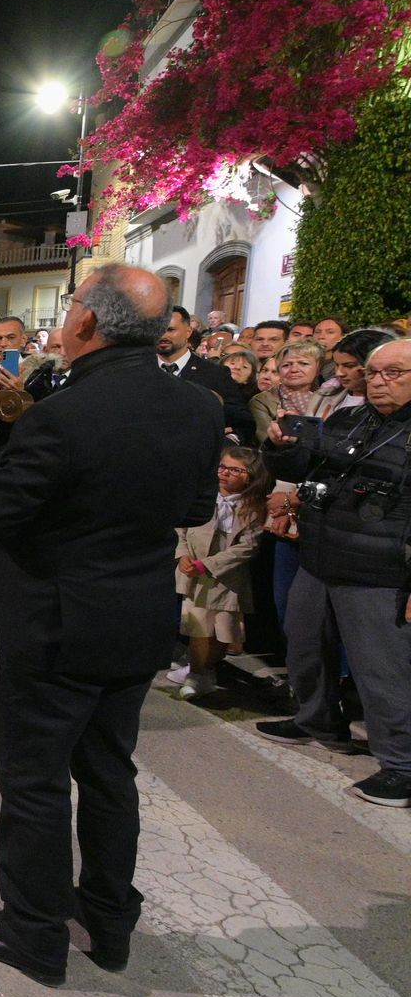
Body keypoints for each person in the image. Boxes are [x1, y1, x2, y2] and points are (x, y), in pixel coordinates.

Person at [0, 264, 222, 986]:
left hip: (57, 627)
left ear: (87, 325)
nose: (65, 320)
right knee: (109, 774)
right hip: (136, 622)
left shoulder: (63, 414)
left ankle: (33, 931)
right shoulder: (197, 407)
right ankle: (109, 919)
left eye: (70, 307)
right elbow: (195, 507)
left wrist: (6, 447)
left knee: (35, 781)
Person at [257, 339, 411, 807]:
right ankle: (317, 720)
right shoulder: (347, 418)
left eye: (395, 373)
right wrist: (279, 447)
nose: (379, 380)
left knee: (381, 672)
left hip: (379, 572)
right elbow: (303, 467)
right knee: (304, 646)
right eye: (375, 371)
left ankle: (401, 765)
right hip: (320, 557)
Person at [168, 447, 271, 698]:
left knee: (223, 629)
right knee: (197, 626)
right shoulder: (203, 497)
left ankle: (206, 669)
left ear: (250, 476)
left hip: (227, 578)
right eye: (222, 467)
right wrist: (183, 555)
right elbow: (181, 528)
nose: (224, 473)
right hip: (195, 573)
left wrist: (210, 565)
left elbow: (248, 547)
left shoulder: (253, 508)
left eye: (234, 470)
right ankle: (196, 673)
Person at [158, 306, 257, 442]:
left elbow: (243, 423)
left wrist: (226, 443)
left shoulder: (215, 374)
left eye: (170, 329)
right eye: (156, 330)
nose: (163, 335)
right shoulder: (137, 370)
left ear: (188, 332)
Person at [250, 339, 324, 439]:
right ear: (279, 370)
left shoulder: (328, 399)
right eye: (286, 365)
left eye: (303, 363)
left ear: (318, 369)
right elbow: (266, 439)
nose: (294, 370)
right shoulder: (262, 401)